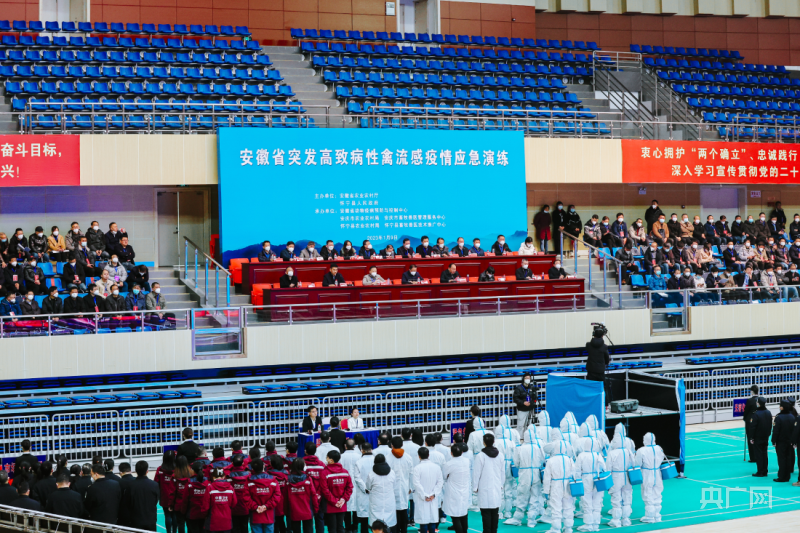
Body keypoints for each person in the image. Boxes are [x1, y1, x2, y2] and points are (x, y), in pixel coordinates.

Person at [505, 428, 545, 527]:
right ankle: (531, 520)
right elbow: (543, 460)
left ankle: (517, 518)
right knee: (535, 496)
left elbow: (516, 463)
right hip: (536, 473)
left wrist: (523, 467)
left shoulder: (520, 448)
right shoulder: (538, 447)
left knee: (522, 496)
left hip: (524, 474)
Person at [473, 434, 503, 533]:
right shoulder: (500, 455)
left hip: (484, 487)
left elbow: (476, 473)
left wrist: (475, 487)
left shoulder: (480, 456)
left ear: (484, 442)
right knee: (495, 512)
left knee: (485, 513)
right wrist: (501, 484)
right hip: (496, 486)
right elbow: (502, 471)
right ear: (494, 442)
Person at [634, 433, 665, 524]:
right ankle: (657, 515)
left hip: (647, 473)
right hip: (657, 472)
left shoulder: (641, 450)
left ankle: (649, 516)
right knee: (657, 493)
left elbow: (637, 463)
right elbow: (662, 458)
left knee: (647, 493)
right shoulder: (659, 448)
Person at [576, 439, 605, 532]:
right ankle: (596, 525)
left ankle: (588, 525)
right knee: (597, 502)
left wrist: (577, 480)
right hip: (598, 479)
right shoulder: (598, 455)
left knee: (587, 501)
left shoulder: (581, 455)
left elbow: (577, 470)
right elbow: (604, 468)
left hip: (586, 479)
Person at [412, 447, 443, 533]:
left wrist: (424, 495)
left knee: (424, 521)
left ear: (419, 456)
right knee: (432, 520)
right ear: (428, 455)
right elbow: (440, 482)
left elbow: (416, 483)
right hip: (433, 498)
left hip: (422, 498)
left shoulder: (417, 468)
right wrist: (433, 494)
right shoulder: (436, 467)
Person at [247, 458, 281, 533]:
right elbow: (277, 496)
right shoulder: (273, 481)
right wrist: (266, 506)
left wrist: (256, 507)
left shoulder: (249, 482)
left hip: (255, 516)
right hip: (269, 516)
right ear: (264, 466)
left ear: (252, 469)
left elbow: (246, 498)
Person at [386, 437, 412, 533]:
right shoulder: (408, 457)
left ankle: (395, 530)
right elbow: (411, 473)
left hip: (392, 487)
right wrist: (411, 487)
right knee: (404, 509)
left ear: (391, 445)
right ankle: (404, 530)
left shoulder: (387, 458)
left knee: (394, 510)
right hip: (405, 486)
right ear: (402, 444)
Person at [126, 460, 160, 531]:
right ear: (147, 471)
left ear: (136, 471)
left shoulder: (130, 485)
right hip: (150, 520)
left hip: (136, 521)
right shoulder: (154, 485)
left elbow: (128, 503)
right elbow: (156, 500)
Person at [366, 454, 397, 530]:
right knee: (389, 523)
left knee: (376, 524)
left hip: (376, 500)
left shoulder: (371, 474)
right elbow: (394, 485)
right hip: (389, 499)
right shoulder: (392, 472)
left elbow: (368, 486)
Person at [205, 468, 237, 533]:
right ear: (224, 476)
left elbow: (205, 505)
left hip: (213, 521)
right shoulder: (230, 488)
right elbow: (234, 503)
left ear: (213, 477)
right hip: (227, 521)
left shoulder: (210, 487)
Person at [340, 440, 361, 533]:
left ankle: (348, 527)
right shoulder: (359, 456)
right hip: (357, 484)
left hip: (345, 484)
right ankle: (355, 527)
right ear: (355, 446)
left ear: (345, 446)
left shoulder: (341, 457)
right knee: (356, 505)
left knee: (347, 505)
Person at [353, 443, 375, 533]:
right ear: (371, 449)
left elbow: (357, 478)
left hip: (363, 492)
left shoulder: (359, 462)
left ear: (362, 450)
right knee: (375, 515)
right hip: (375, 490)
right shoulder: (376, 460)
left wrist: (365, 488)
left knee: (364, 518)